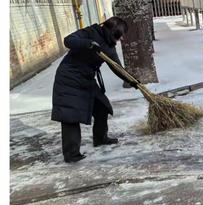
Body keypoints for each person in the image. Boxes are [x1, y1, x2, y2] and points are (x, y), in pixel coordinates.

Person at [51, 17, 138, 163]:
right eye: (120, 35)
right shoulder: (91, 32)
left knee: (102, 107)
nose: (122, 38)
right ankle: (71, 154)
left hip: (86, 79)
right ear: (113, 31)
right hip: (69, 78)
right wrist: (88, 43)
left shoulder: (110, 46)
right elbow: (68, 40)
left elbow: (117, 67)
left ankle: (100, 138)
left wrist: (132, 80)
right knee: (71, 115)